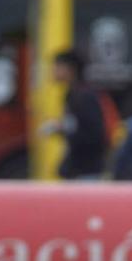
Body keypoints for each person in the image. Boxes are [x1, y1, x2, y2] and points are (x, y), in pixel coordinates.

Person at [41, 50, 109, 180]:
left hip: (87, 171)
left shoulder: (85, 96)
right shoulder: (71, 94)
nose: (53, 71)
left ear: (70, 69)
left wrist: (64, 129)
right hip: (76, 170)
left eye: (57, 66)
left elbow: (95, 134)